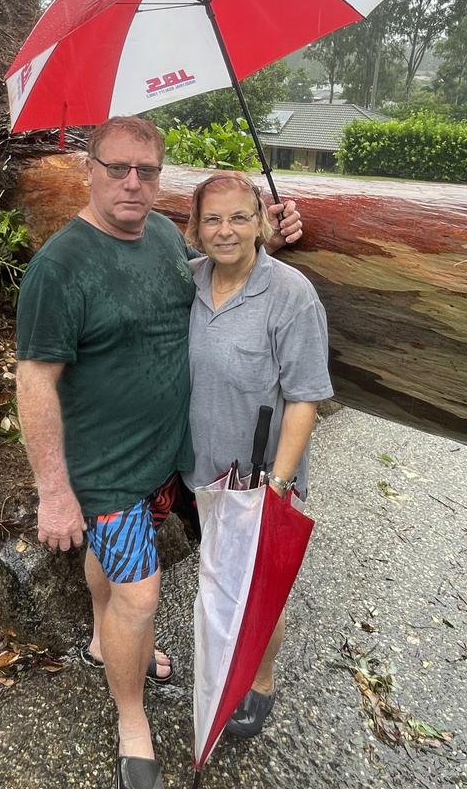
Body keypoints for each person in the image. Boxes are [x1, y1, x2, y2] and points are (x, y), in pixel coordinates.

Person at [15, 116, 302, 789]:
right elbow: (34, 379)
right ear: (89, 170)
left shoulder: (165, 244)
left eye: (147, 170)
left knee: (118, 590)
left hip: (166, 461)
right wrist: (55, 492)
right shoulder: (61, 266)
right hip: (105, 474)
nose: (133, 183)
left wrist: (276, 233)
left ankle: (98, 639)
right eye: (118, 168)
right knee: (140, 600)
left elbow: (222, 277)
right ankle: (132, 719)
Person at [181, 171, 333, 739]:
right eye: (212, 219)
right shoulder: (188, 281)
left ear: (262, 223)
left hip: (261, 478)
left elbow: (304, 399)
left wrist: (279, 484)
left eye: (240, 217)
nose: (226, 231)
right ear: (194, 229)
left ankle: (260, 683)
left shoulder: (290, 295)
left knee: (258, 587)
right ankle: (224, 667)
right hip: (202, 472)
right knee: (221, 583)